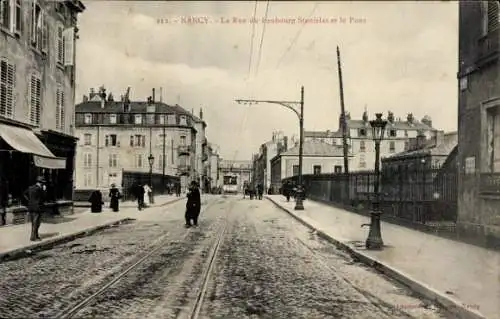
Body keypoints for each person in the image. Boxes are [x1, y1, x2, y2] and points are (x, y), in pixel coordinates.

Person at [23, 176, 46, 241]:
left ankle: (36, 236)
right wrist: (44, 190)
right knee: (37, 223)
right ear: (40, 182)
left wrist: (29, 201)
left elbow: (24, 194)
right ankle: (33, 237)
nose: (43, 184)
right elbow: (44, 197)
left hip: (31, 207)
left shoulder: (30, 187)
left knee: (34, 222)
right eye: (42, 183)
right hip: (38, 208)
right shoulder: (40, 189)